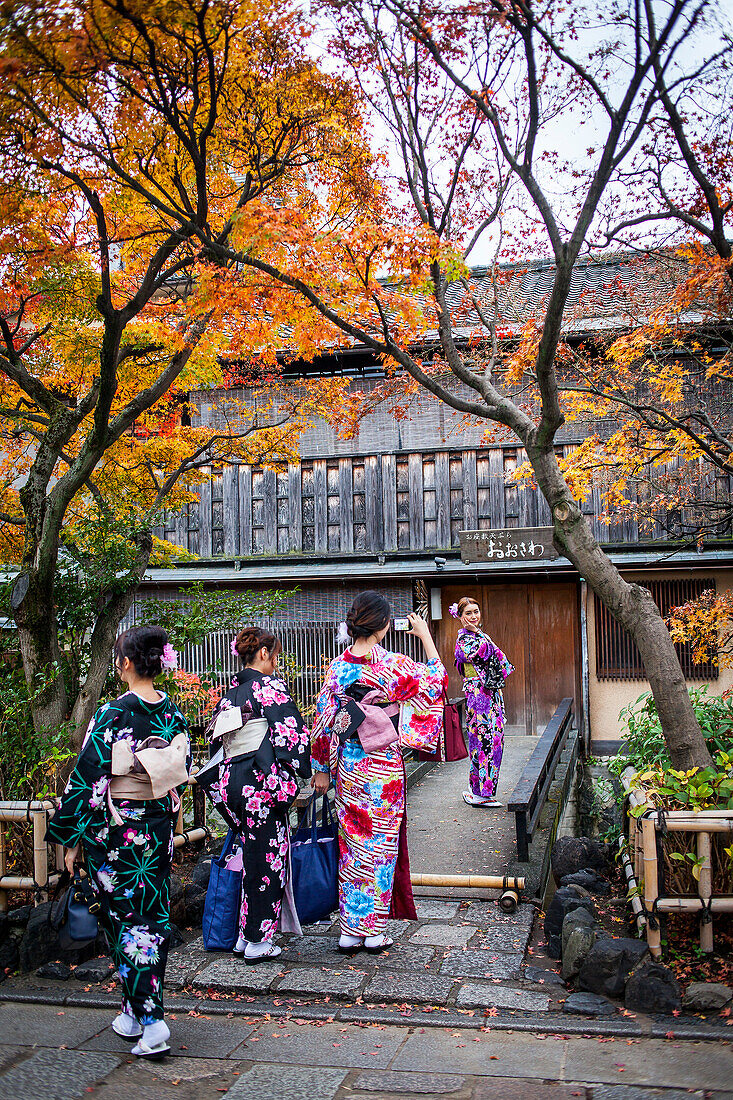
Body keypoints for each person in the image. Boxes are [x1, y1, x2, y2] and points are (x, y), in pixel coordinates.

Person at [46, 626, 190, 1059]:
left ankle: (152, 1021)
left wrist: (70, 839)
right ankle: (131, 1010)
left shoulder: (112, 713)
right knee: (147, 916)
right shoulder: (173, 712)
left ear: (125, 663)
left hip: (118, 831)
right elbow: (179, 766)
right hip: (157, 827)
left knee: (130, 924)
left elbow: (89, 779)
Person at [311, 591, 446, 955]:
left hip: (350, 764)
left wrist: (321, 767)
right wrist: (426, 637)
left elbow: (324, 722)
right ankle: (373, 930)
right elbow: (435, 682)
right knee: (381, 847)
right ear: (384, 625)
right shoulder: (392, 664)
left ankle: (350, 930)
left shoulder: (336, 668)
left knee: (352, 843)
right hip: (383, 764)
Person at [197, 627, 311, 963]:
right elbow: (293, 738)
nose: (275, 662)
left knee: (252, 857)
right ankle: (259, 940)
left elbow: (217, 744)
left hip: (232, 783)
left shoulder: (230, 694)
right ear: (263, 653)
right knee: (267, 861)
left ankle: (246, 937)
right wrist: (299, 769)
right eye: (274, 655)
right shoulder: (270, 687)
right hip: (260, 785)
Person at [451, 596, 514, 808]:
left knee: (492, 740)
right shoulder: (465, 640)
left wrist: (481, 636)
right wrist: (480, 636)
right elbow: (481, 654)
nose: (473, 616)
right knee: (485, 740)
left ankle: (477, 789)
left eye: (476, 612)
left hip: (489, 693)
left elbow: (496, 656)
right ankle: (481, 794)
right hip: (478, 695)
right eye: (468, 613)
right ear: (460, 617)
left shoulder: (480, 636)